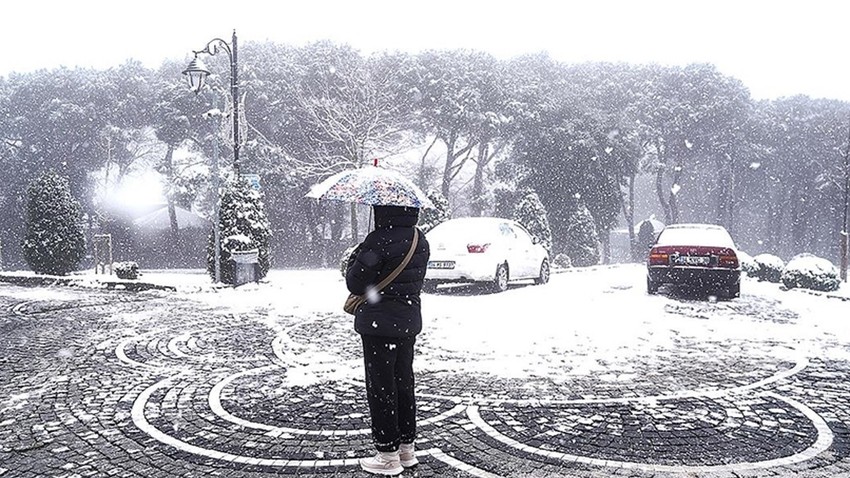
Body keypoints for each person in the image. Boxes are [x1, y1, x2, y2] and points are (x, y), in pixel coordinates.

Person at [345, 205, 430, 476]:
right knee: (404, 383)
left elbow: (355, 284)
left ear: (382, 211)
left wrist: (357, 256)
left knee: (382, 387)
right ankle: (407, 448)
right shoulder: (420, 239)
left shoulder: (378, 240)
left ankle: (387, 454)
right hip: (407, 322)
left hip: (378, 324)